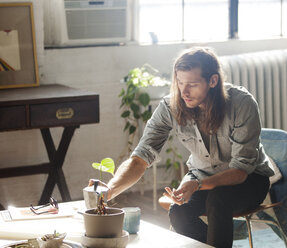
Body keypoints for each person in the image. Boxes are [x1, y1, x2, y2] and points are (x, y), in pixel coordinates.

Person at [90, 47, 274, 248]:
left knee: (217, 199)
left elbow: (240, 171)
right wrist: (110, 190)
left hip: (250, 180)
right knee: (179, 212)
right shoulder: (170, 107)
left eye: (192, 85)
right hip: (201, 177)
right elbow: (141, 157)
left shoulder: (241, 103)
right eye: (179, 83)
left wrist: (197, 185)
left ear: (213, 81)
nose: (184, 92)